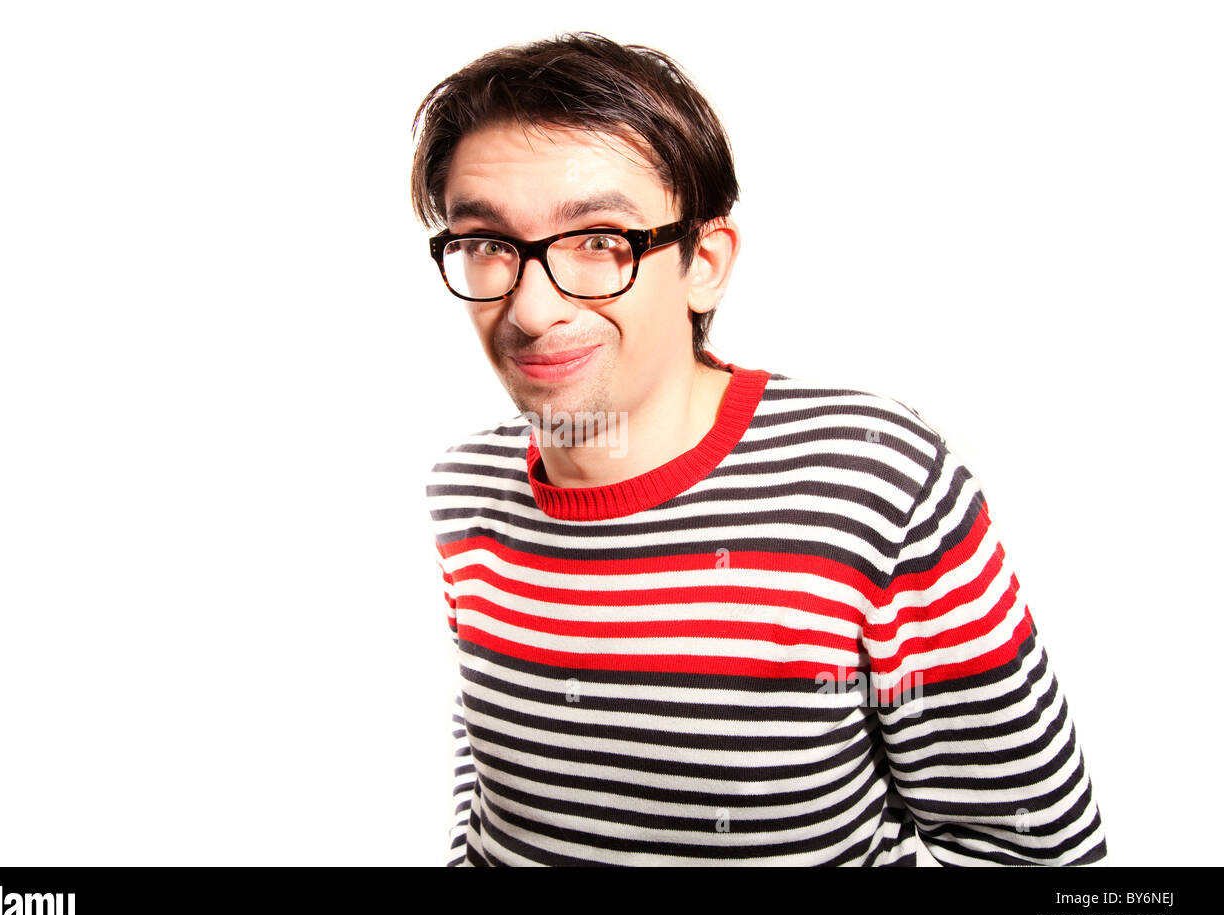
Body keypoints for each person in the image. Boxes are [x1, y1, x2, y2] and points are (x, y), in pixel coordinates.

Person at [409, 31, 1108, 867]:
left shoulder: (875, 482)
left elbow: (1037, 853)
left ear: (703, 262)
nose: (530, 308)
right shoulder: (463, 488)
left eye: (599, 240)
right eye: (486, 244)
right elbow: (491, 771)